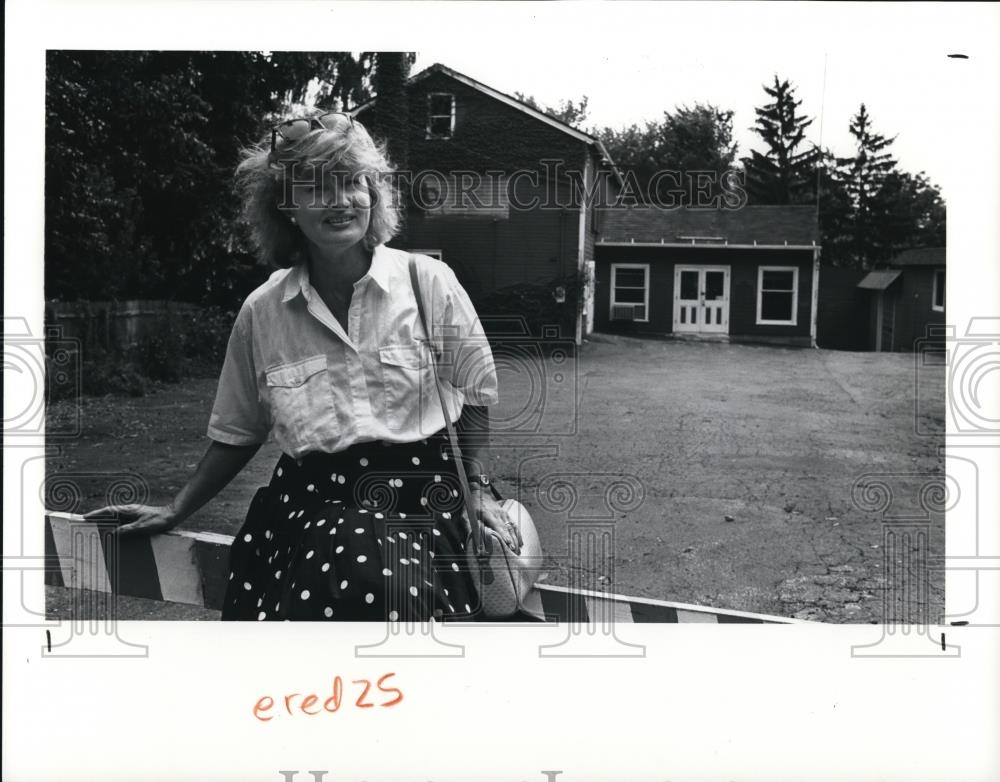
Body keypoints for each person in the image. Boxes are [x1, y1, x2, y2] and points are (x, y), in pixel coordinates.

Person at [86, 110, 519, 621]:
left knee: (375, 583)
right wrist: (177, 507)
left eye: (352, 183)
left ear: (373, 193)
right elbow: (238, 430)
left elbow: (475, 394)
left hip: (420, 501)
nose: (339, 201)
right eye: (316, 187)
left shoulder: (427, 283)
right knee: (339, 583)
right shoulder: (263, 311)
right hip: (309, 507)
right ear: (287, 206)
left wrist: (479, 489)